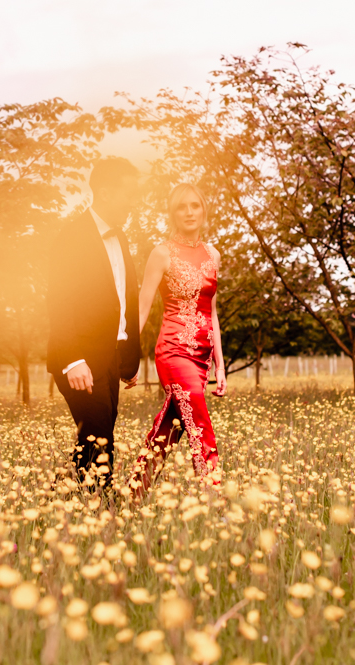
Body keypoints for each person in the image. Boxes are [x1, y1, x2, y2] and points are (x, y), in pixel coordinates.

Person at [47, 157, 142, 490]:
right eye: (128, 194)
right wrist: (73, 359)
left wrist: (128, 358)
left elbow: (124, 298)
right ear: (105, 190)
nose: (133, 202)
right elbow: (58, 303)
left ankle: (64, 496)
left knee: (97, 437)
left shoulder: (121, 238)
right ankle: (103, 510)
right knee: (100, 437)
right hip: (79, 358)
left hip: (110, 354)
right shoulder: (72, 236)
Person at [128, 183, 225, 498]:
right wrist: (127, 356)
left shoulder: (213, 254)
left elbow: (211, 311)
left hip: (202, 356)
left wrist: (220, 365)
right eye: (182, 207)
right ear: (172, 213)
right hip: (173, 351)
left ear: (203, 210)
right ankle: (214, 492)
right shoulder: (161, 253)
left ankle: (134, 492)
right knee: (198, 419)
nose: (189, 212)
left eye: (195, 206)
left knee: (172, 424)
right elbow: (142, 307)